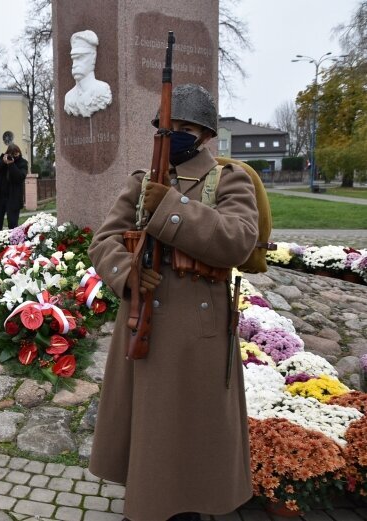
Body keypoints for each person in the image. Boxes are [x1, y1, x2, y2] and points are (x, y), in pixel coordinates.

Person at [87, 84, 258, 521]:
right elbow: (105, 240)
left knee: (193, 435)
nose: (174, 134)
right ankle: (147, 505)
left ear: (203, 133)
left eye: (184, 127)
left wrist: (173, 208)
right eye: (167, 127)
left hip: (198, 333)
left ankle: (189, 506)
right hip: (144, 319)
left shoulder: (229, 178)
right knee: (153, 433)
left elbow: (238, 240)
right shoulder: (141, 181)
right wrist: (126, 274)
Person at [64, 30, 112, 118]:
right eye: (73, 59)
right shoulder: (69, 97)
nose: (75, 65)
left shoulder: (102, 90)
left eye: (80, 58)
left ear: (93, 57)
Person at [0, 143, 27, 232]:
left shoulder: (22, 162)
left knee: (12, 223)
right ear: (7, 153)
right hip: (0, 197)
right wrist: (3, 162)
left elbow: (20, 177)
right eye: (12, 154)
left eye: (16, 153)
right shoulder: (3, 159)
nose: (14, 156)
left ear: (19, 153)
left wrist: (11, 164)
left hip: (13, 198)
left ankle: (13, 243)